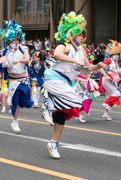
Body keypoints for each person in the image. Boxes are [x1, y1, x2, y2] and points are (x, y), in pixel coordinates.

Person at [42, 12, 104, 158]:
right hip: (54, 78)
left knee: (63, 114)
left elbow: (86, 67)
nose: (83, 37)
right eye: (80, 34)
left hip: (67, 82)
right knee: (75, 100)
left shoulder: (81, 50)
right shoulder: (64, 45)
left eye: (83, 34)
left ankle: (53, 143)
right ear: (72, 34)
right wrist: (76, 62)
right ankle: (47, 106)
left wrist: (97, 66)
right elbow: (57, 55)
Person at [0, 20, 33, 132]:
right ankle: (15, 122)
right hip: (12, 79)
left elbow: (27, 59)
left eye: (17, 40)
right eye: (13, 40)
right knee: (15, 101)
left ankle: (15, 120)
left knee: (23, 99)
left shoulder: (24, 48)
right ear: (9, 41)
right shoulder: (5, 51)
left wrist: (19, 60)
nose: (16, 42)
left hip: (24, 78)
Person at [99, 40, 121, 120]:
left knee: (110, 97)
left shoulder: (117, 62)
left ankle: (105, 113)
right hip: (106, 79)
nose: (116, 55)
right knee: (117, 93)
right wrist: (106, 76)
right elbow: (101, 69)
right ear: (111, 54)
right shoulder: (109, 60)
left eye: (117, 54)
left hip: (113, 80)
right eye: (114, 54)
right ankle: (105, 103)